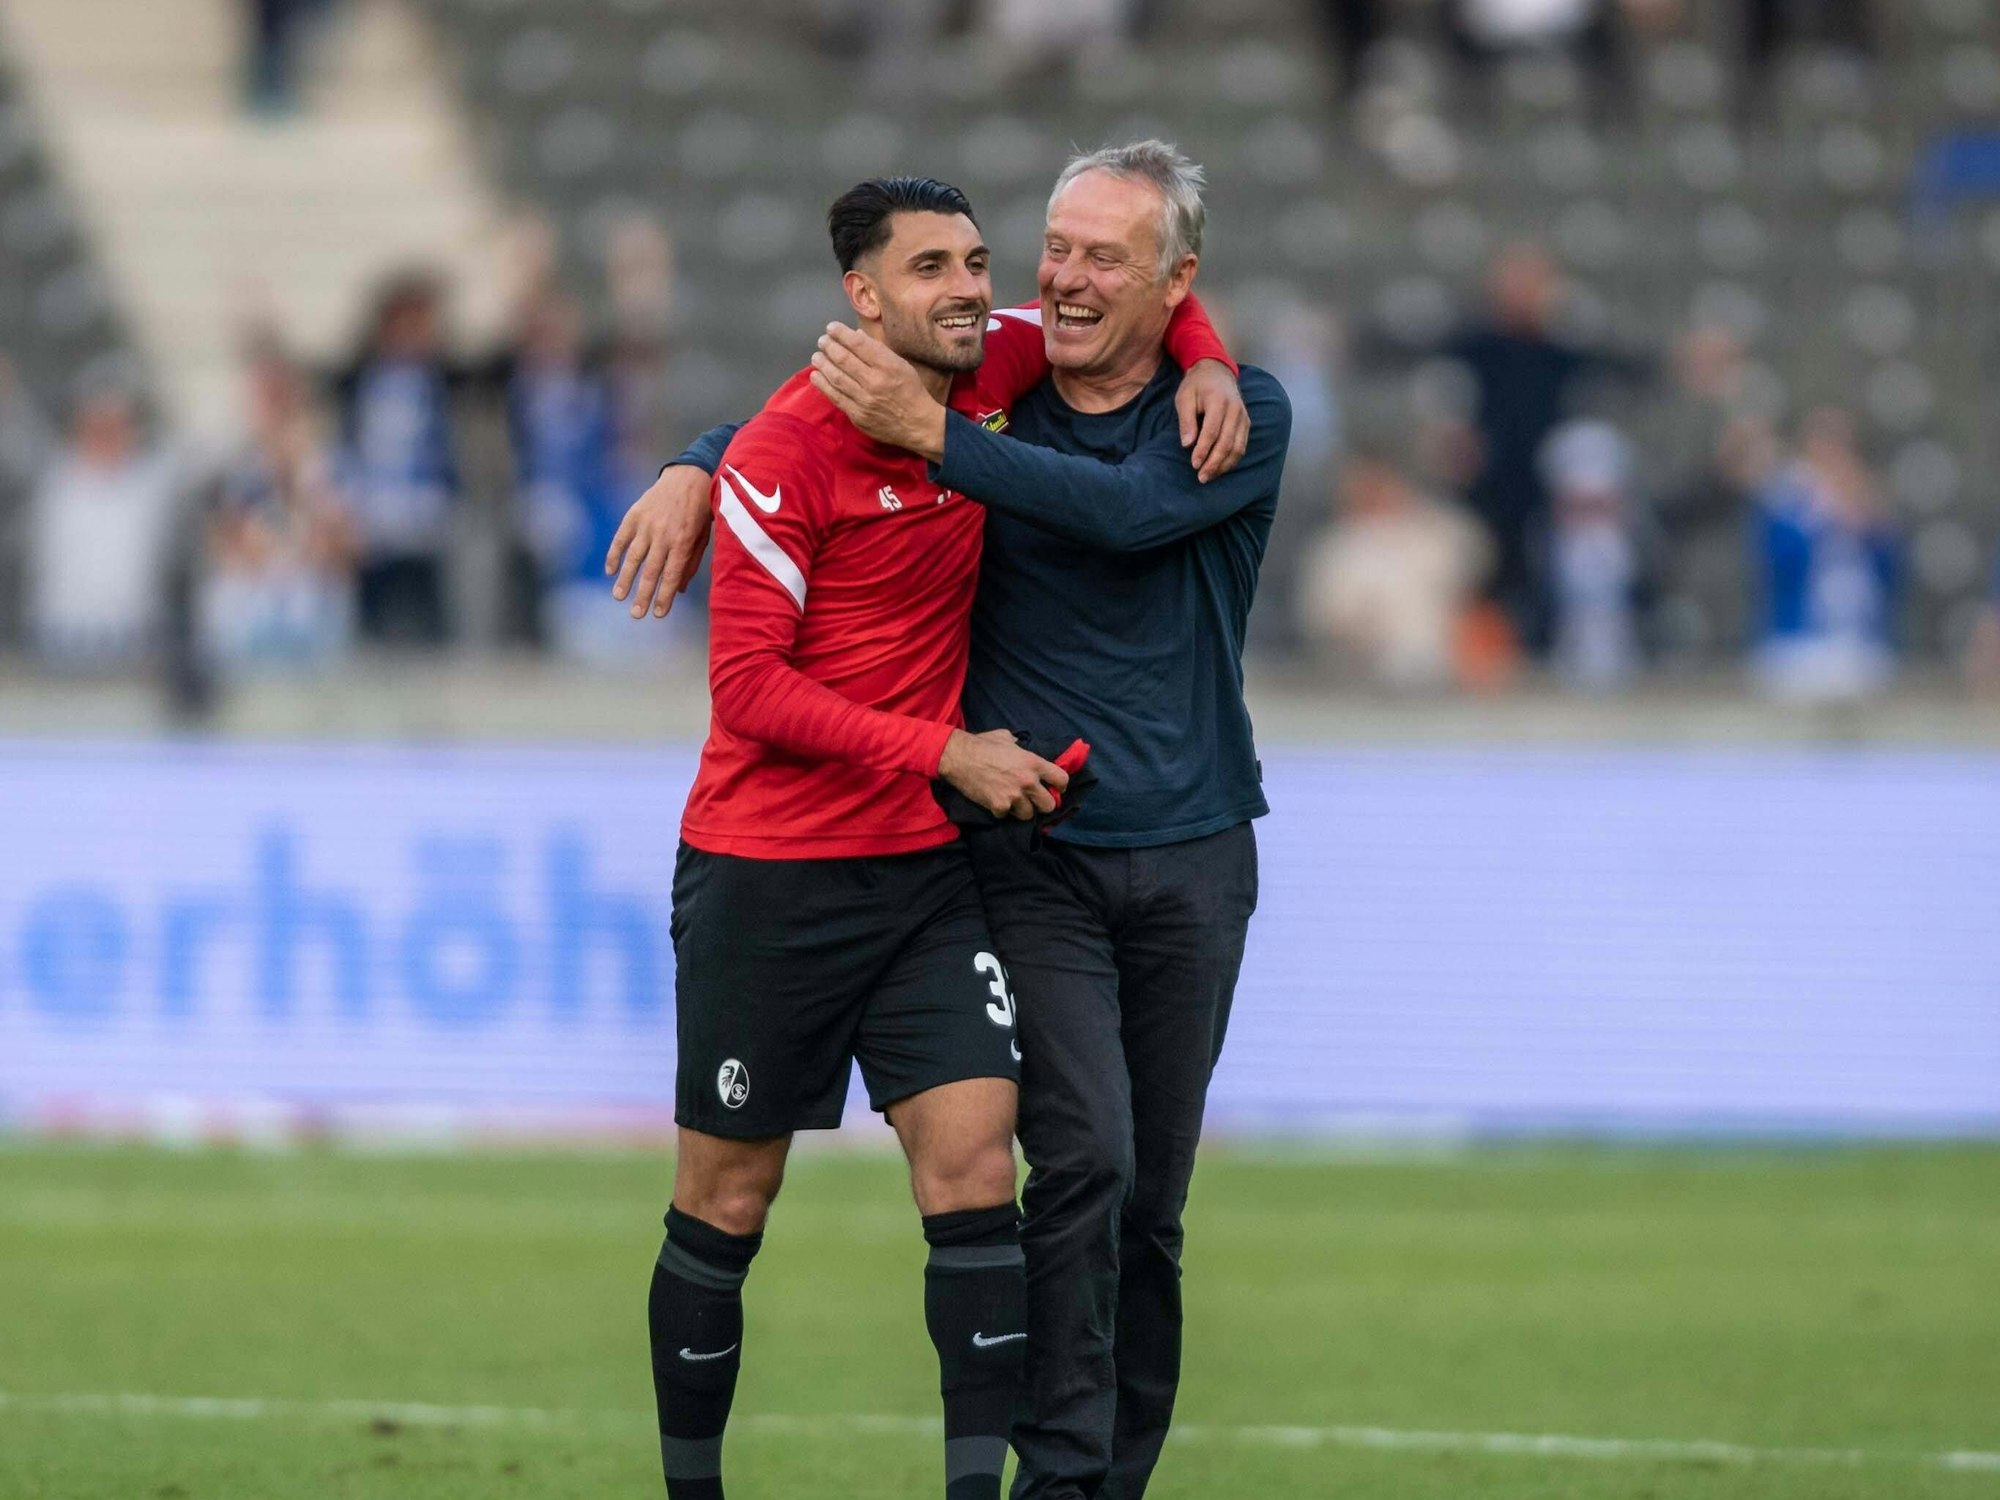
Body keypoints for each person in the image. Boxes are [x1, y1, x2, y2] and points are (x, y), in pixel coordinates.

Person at [619, 141, 1288, 1500]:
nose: (1030, 283)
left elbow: (1123, 455)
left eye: (987, 263)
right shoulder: (895, 414)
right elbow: (755, 660)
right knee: (1003, 1167)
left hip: (1062, 862)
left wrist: (1203, 355)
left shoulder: (1117, 397)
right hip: (900, 862)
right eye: (1048, 250)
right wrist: (703, 457)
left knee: (1072, 1187)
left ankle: (1058, 1485)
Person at [202, 339, 358, 669]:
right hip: (250, 613)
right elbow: (226, 547)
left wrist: (303, 490)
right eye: (265, 398)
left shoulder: (331, 466)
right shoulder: (230, 468)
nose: (273, 411)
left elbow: (346, 550)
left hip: (310, 613)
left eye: (281, 397)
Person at [330, 272, 462, 647]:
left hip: (425, 507)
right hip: (374, 509)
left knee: (427, 604)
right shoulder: (360, 382)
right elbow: (350, 448)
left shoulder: (442, 382)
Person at [25, 380, 185, 670]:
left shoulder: (153, 483)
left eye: (115, 425)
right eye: (96, 424)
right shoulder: (53, 481)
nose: (105, 434)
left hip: (135, 635)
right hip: (62, 635)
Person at [1297, 455, 1488, 690]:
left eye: (1383, 483)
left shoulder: (1436, 534)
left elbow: (1474, 567)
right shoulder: (1334, 551)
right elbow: (1324, 620)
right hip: (1365, 683)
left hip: (1444, 675)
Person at [1751, 408, 1899, 703]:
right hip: (1799, 643)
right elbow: (1779, 562)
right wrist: (1823, 515)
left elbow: (1889, 571)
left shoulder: (1864, 493)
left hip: (1858, 641)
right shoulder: (1785, 495)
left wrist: (1871, 525)